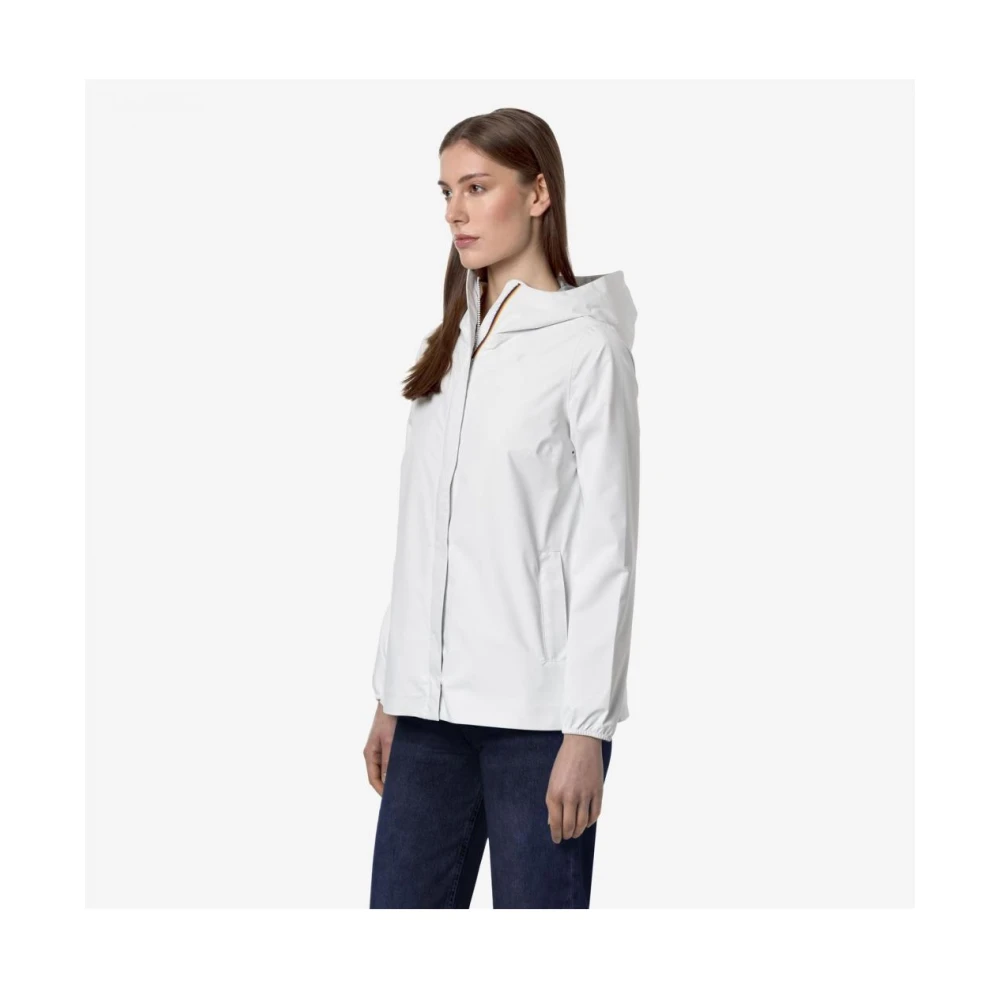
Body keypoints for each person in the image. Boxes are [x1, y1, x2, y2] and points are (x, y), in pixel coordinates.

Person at [364, 108, 640, 908]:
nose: (456, 211)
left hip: (539, 722)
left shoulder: (587, 349)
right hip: (426, 720)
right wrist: (392, 693)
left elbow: (608, 550)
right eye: (447, 191)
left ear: (538, 195)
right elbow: (422, 539)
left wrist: (586, 728)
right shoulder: (454, 345)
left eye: (478, 188)